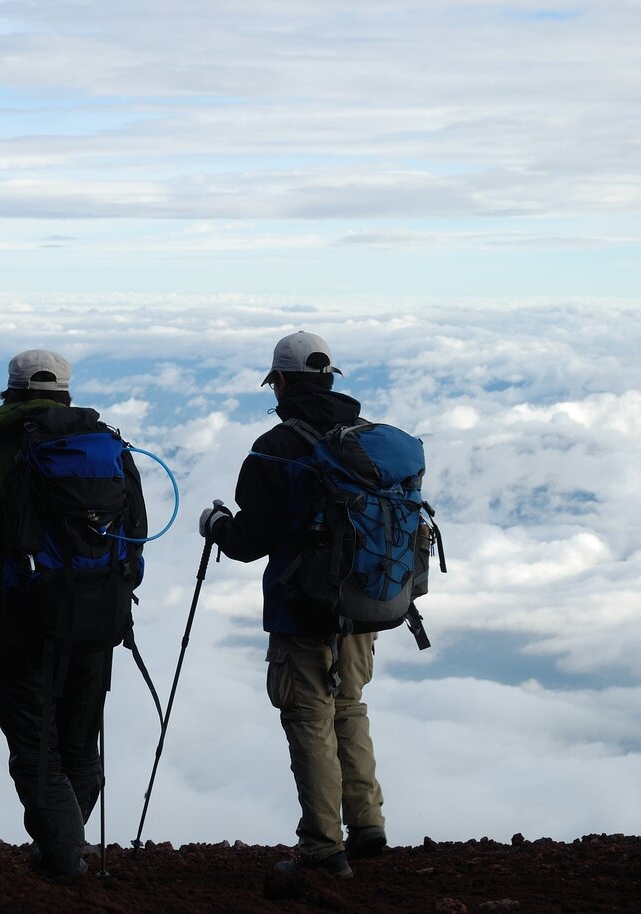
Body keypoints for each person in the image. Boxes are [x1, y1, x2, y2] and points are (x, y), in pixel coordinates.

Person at [0, 349, 146, 879]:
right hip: (100, 622)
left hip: (26, 623)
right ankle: (65, 847)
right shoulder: (111, 452)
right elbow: (135, 540)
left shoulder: (0, 463)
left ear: (10, 394)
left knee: (36, 746)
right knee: (80, 744)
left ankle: (63, 858)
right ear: (67, 393)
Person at [198, 330, 387, 880]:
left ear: (279, 382)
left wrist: (216, 527)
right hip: (364, 604)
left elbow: (250, 541)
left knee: (308, 716)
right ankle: (367, 823)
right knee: (348, 705)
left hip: (301, 606)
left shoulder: (272, 450)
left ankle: (323, 848)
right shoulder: (368, 440)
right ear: (331, 379)